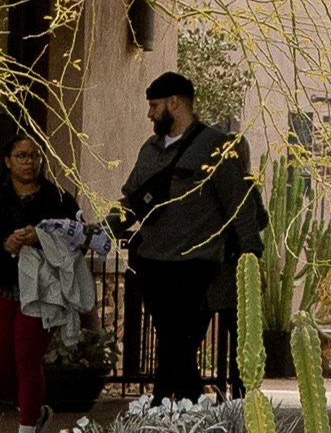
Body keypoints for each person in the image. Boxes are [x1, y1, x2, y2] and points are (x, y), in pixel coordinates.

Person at [111, 66, 261, 401]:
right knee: (170, 340)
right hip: (152, 261)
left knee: (178, 340)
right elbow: (132, 201)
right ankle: (182, 406)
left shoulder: (215, 147)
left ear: (175, 102)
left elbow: (239, 204)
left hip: (196, 263)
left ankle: (168, 403)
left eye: (155, 105)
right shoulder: (150, 149)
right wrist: (100, 229)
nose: (150, 114)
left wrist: (251, 254)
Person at [0, 130, 82, 433]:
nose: (30, 162)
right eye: (22, 156)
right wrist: (5, 244)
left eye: (35, 156)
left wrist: (40, 239)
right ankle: (35, 410)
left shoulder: (58, 200)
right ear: (7, 161)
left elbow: (78, 240)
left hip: (42, 293)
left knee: (28, 360)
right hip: (6, 288)